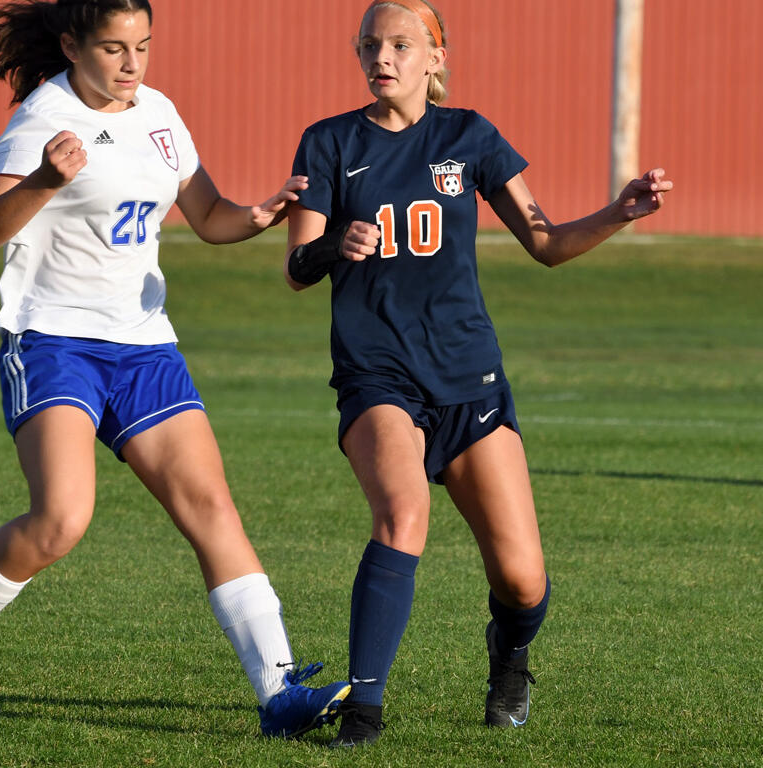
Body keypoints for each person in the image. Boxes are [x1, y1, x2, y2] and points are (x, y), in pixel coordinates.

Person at [0, 0, 349, 739]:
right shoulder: (43, 119)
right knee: (61, 520)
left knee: (211, 508)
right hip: (53, 341)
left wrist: (259, 214)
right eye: (114, 48)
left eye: (143, 45)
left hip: (143, 344)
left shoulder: (159, 113)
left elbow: (209, 215)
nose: (132, 62)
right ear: (72, 46)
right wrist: (44, 179)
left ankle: (279, 693)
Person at [284, 0, 672, 747]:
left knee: (523, 581)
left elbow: (546, 243)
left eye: (401, 44)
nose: (382, 57)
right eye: (370, 44)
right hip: (377, 374)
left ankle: (510, 653)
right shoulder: (329, 140)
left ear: (436, 57)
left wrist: (619, 213)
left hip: (469, 377)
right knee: (403, 516)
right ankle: (363, 713)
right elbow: (297, 266)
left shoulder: (469, 135)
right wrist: (335, 246)